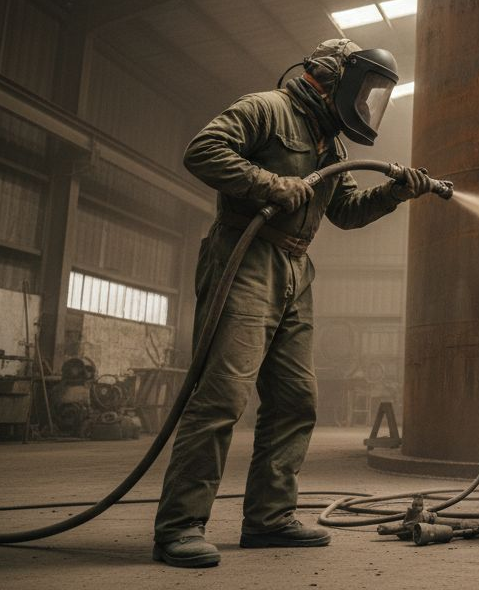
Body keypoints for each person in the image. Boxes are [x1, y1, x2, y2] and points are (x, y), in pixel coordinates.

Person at [152, 39, 430, 568]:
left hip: (296, 269)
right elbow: (202, 151)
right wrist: (269, 185)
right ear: (338, 75)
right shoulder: (265, 109)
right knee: (221, 398)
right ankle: (180, 526)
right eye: (367, 88)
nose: (369, 101)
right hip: (245, 256)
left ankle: (269, 517)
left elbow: (345, 212)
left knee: (296, 400)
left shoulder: (331, 146)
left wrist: (395, 193)